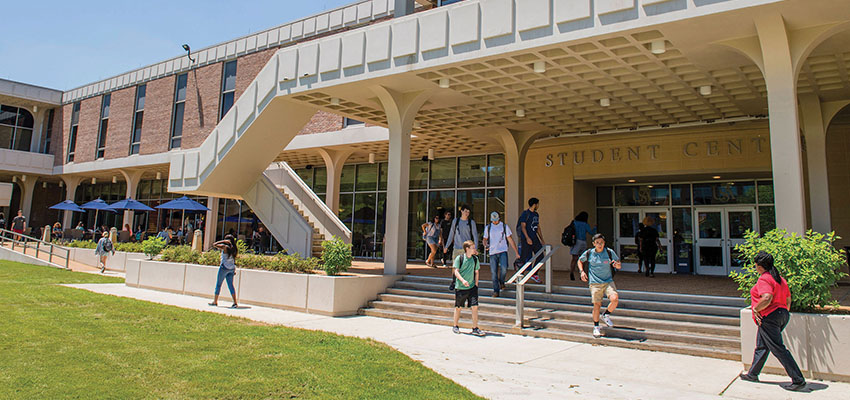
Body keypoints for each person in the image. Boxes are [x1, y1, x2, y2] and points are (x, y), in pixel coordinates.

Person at [739, 251, 806, 391]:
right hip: (782, 314)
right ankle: (752, 374)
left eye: (756, 265)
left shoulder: (764, 279)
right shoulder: (780, 279)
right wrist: (782, 312)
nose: (755, 267)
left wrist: (756, 309)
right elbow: (788, 299)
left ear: (760, 266)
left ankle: (798, 379)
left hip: (769, 317)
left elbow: (767, 297)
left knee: (778, 348)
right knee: (762, 346)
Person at [579, 233, 621, 338]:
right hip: (595, 283)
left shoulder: (609, 252)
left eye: (601, 242)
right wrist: (582, 271)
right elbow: (580, 261)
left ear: (604, 243)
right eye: (597, 242)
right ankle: (596, 327)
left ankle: (606, 314)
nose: (599, 244)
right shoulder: (589, 253)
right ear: (593, 244)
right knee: (597, 305)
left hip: (608, 281)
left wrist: (617, 265)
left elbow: (619, 263)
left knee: (615, 298)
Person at [483, 211, 520, 297]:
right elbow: (485, 239)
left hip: (502, 250)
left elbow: (510, 239)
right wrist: (486, 245)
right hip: (492, 252)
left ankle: (501, 281)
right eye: (493, 220)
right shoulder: (488, 228)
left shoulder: (504, 227)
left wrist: (516, 252)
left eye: (496, 220)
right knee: (493, 272)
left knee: (504, 268)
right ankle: (496, 290)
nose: (495, 222)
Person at [452, 240, 484, 336]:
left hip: (472, 287)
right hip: (461, 287)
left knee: (475, 306)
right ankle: (455, 325)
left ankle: (475, 327)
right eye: (473, 247)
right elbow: (456, 272)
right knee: (458, 307)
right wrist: (463, 281)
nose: (474, 249)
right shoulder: (460, 258)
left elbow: (477, 272)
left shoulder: (475, 259)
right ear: (467, 249)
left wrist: (476, 284)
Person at [517, 198, 545, 283]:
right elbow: (523, 226)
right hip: (526, 239)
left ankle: (534, 274)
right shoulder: (525, 214)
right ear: (534, 204)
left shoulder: (536, 214)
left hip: (535, 238)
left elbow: (537, 227)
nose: (538, 206)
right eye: (537, 204)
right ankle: (519, 275)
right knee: (524, 258)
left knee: (541, 255)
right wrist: (527, 238)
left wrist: (542, 239)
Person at [209, 234, 239, 308]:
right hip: (231, 268)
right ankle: (235, 302)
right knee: (231, 285)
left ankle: (215, 301)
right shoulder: (234, 249)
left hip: (224, 267)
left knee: (218, 284)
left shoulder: (225, 247)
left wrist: (223, 241)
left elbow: (214, 244)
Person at [569, 211, 597, 281]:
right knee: (583, 259)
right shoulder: (585, 224)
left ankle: (571, 272)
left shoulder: (574, 223)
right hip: (583, 242)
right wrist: (595, 228)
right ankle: (582, 273)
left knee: (574, 259)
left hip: (576, 242)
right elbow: (591, 232)